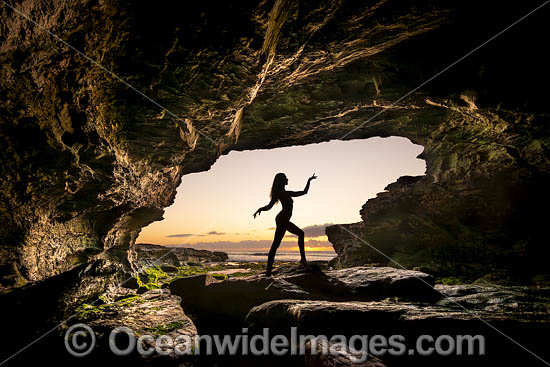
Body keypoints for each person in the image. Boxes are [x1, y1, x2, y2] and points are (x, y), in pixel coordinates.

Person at [253, 172, 317, 277]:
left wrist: (309, 181)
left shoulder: (286, 193)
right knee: (296, 236)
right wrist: (260, 209)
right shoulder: (280, 193)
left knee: (277, 244)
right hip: (282, 219)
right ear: (282, 181)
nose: (288, 179)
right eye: (286, 178)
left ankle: (269, 271)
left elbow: (304, 192)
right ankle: (301, 260)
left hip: (282, 219)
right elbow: (269, 206)